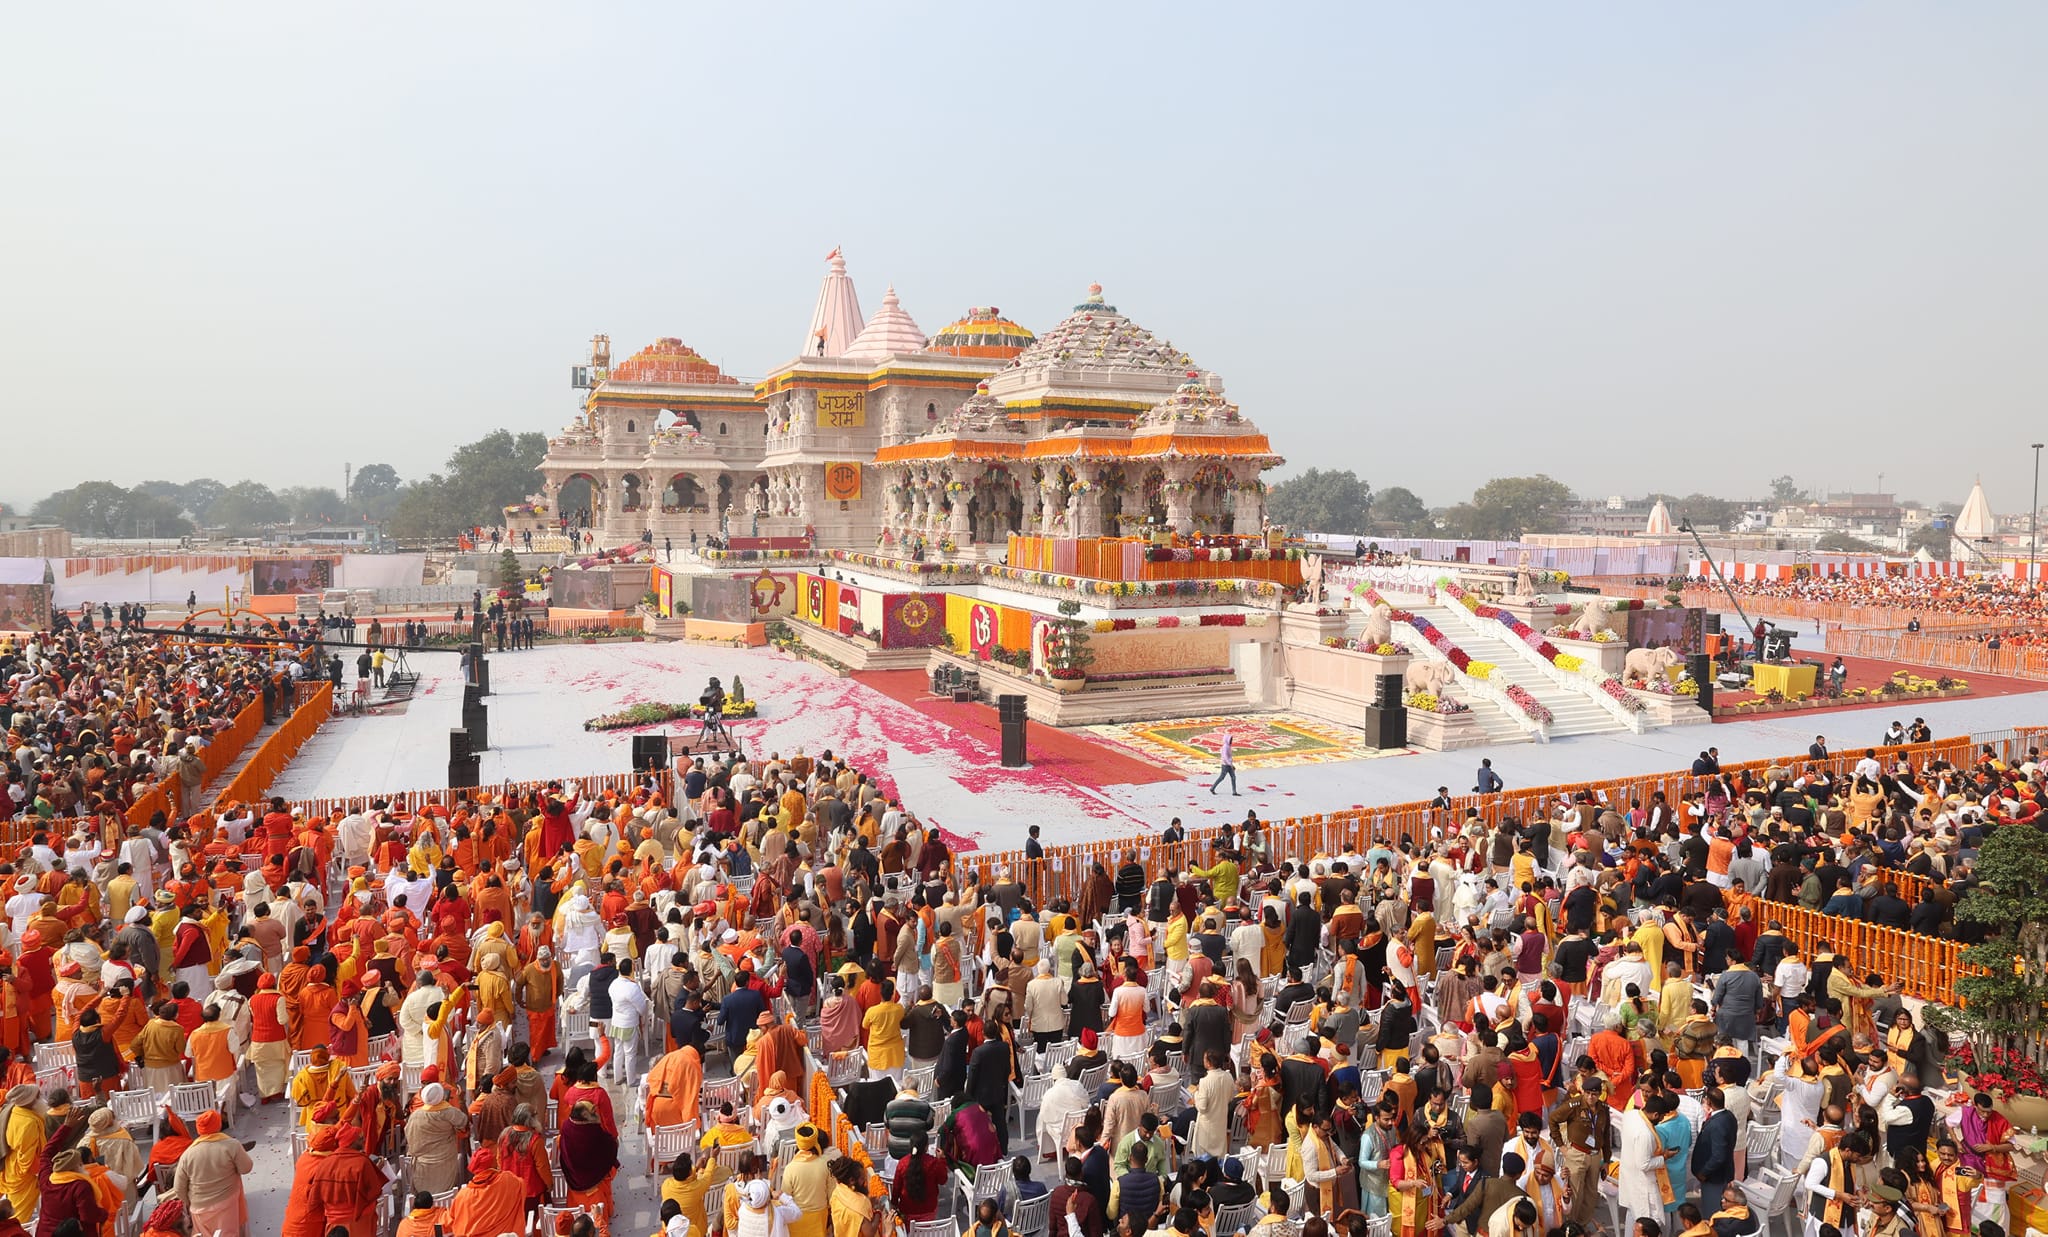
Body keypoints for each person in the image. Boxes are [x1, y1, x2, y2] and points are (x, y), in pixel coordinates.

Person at [171, 1110, 254, 1237]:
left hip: (199, 1208)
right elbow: (246, 1168)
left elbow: (178, 1188)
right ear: (218, 1125)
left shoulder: (188, 1154)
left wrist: (190, 1202)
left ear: (199, 1129)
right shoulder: (232, 1145)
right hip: (226, 1204)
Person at [1210, 732, 1238, 796]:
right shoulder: (1226, 747)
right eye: (1230, 739)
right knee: (1223, 777)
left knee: (1232, 777)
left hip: (1227, 764)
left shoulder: (1227, 746)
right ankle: (1212, 788)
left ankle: (1234, 792)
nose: (1231, 741)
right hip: (1226, 765)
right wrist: (1231, 765)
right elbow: (1225, 757)